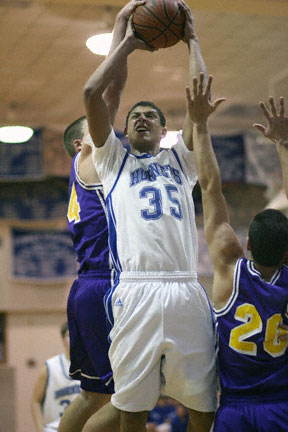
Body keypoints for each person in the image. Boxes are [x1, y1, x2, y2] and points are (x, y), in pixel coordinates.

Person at [82, 2, 217, 432]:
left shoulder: (182, 161)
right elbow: (91, 95)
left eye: (151, 116)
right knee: (132, 410)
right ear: (124, 132)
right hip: (135, 289)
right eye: (134, 116)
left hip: (185, 286)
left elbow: (198, 96)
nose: (142, 118)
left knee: (203, 406)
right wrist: (126, 44)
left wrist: (192, 37)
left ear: (164, 131)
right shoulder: (112, 161)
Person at [58, 3, 147, 432]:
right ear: (81, 143)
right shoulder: (93, 155)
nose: (112, 132)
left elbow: (113, 95)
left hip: (85, 288)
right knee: (133, 393)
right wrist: (122, 36)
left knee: (93, 393)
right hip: (108, 286)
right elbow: (109, 93)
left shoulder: (80, 176)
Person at [185, 73, 288, 432]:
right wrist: (284, 143)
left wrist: (199, 124)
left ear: (246, 245)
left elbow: (211, 189)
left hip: (235, 411)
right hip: (281, 408)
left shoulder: (230, 269)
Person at [31, 322, 81, 432]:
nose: (73, 339)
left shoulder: (92, 366)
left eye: (76, 335)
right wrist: (40, 429)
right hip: (54, 428)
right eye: (69, 335)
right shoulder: (49, 367)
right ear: (63, 339)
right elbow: (35, 401)